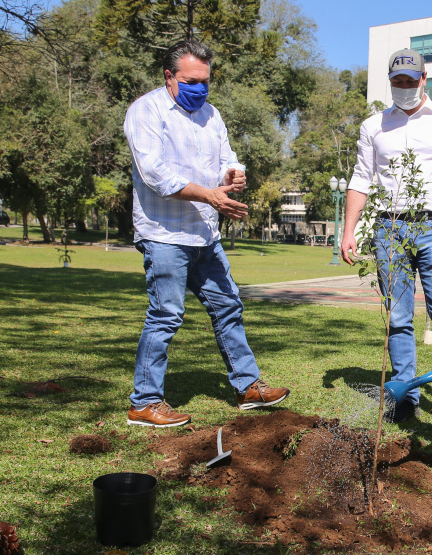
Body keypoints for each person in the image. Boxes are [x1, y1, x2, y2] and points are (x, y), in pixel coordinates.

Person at [123, 40, 288, 427]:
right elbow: (154, 173)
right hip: (164, 232)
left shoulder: (211, 115)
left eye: (206, 81)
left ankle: (248, 386)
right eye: (191, 81)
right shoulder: (145, 111)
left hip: (204, 234)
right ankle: (144, 402)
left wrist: (234, 172)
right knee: (166, 315)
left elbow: (226, 157)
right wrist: (210, 195)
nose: (200, 88)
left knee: (228, 305)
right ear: (169, 77)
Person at [341, 48, 432, 434]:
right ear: (390, 82)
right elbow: (361, 179)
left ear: (424, 79)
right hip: (389, 227)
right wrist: (350, 231)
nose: (404, 88)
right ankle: (404, 396)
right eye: (397, 82)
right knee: (398, 316)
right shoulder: (374, 126)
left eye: (410, 81)